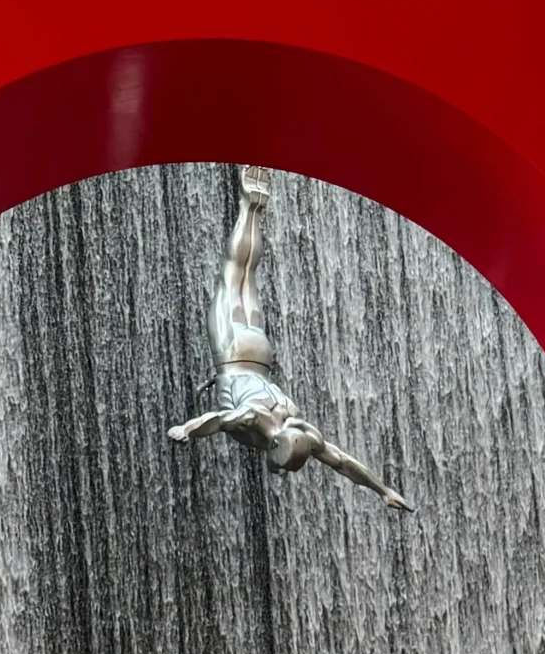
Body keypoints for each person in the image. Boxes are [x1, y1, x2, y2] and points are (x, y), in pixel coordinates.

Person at [168, 166, 413, 511]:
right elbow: (217, 421)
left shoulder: (302, 429)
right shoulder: (254, 418)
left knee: (246, 276)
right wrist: (187, 429)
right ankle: (248, 205)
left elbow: (343, 461)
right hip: (232, 350)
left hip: (260, 353)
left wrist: (383, 490)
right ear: (275, 447)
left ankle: (255, 209)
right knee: (234, 274)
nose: (282, 472)